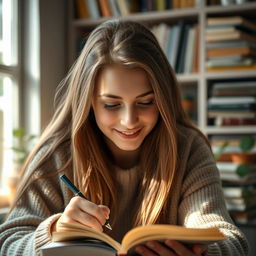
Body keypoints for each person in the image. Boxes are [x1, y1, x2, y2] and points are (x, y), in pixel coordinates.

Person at [0, 19, 249, 256]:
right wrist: (54, 233)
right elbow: (8, 244)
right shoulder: (57, 154)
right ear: (88, 103)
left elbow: (230, 240)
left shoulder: (187, 148)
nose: (129, 121)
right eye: (111, 104)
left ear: (163, 98)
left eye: (146, 102)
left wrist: (203, 252)